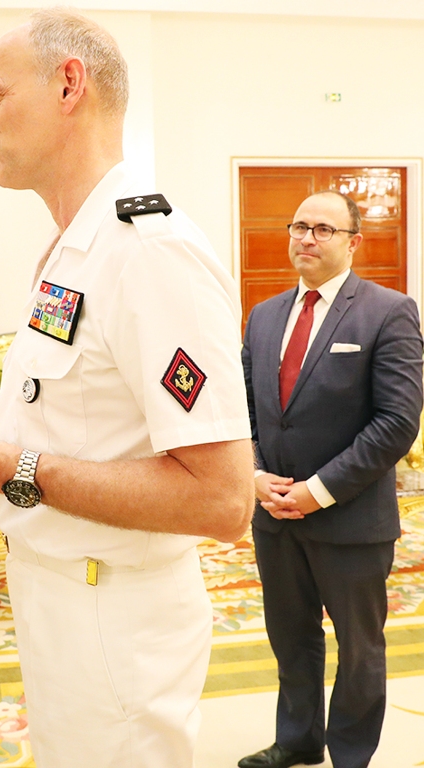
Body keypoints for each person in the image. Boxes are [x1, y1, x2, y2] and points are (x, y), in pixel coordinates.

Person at [0, 9, 254, 768]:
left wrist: (2, 467)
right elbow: (71, 429)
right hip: (62, 595)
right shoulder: (76, 247)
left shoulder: (150, 254)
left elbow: (221, 500)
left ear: (69, 84)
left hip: (114, 615)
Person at [238, 191, 423, 768]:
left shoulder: (388, 311)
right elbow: (245, 407)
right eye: (299, 226)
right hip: (274, 515)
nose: (307, 238)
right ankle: (297, 740)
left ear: (352, 242)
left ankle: (349, 755)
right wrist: (255, 474)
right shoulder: (264, 315)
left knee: (360, 648)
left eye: (323, 229)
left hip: (349, 517)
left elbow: (396, 422)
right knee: (290, 639)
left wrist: (317, 491)